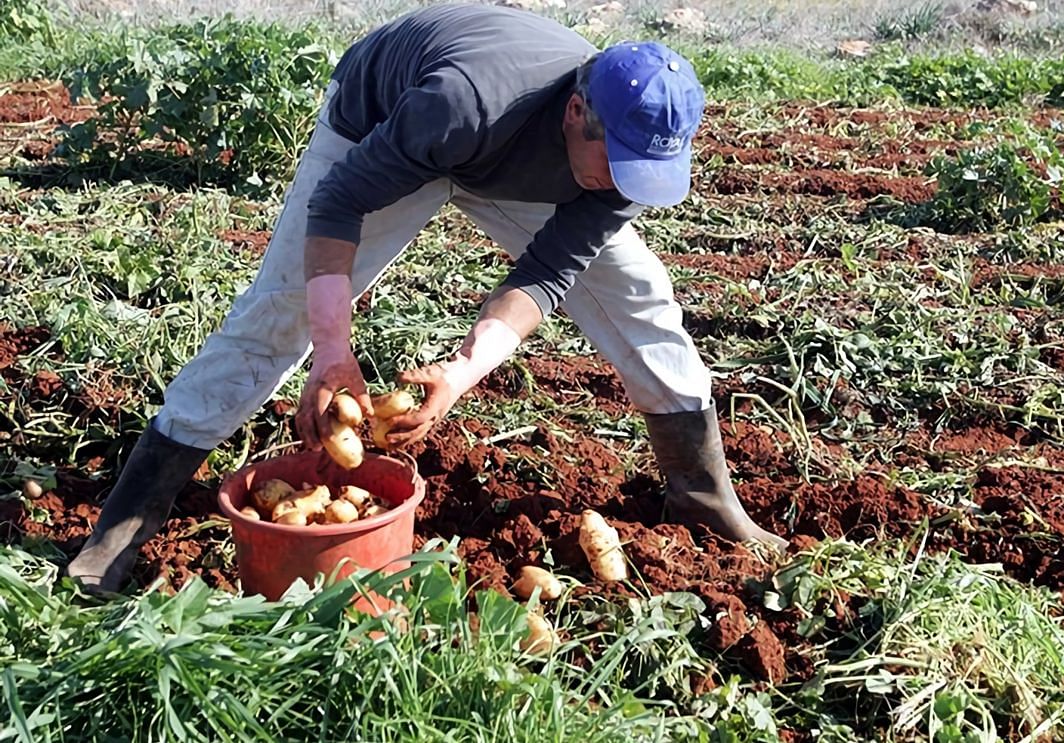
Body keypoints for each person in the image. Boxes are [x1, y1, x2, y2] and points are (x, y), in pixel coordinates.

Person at [66, 3, 787, 593]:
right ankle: (122, 527)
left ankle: (702, 494)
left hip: (505, 157)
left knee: (639, 294)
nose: (632, 183)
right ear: (575, 111)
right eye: (621, 165)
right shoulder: (463, 104)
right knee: (279, 314)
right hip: (383, 126)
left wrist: (463, 369)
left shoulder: (628, 158)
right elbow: (339, 201)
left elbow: (548, 271)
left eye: (647, 171)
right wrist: (334, 348)